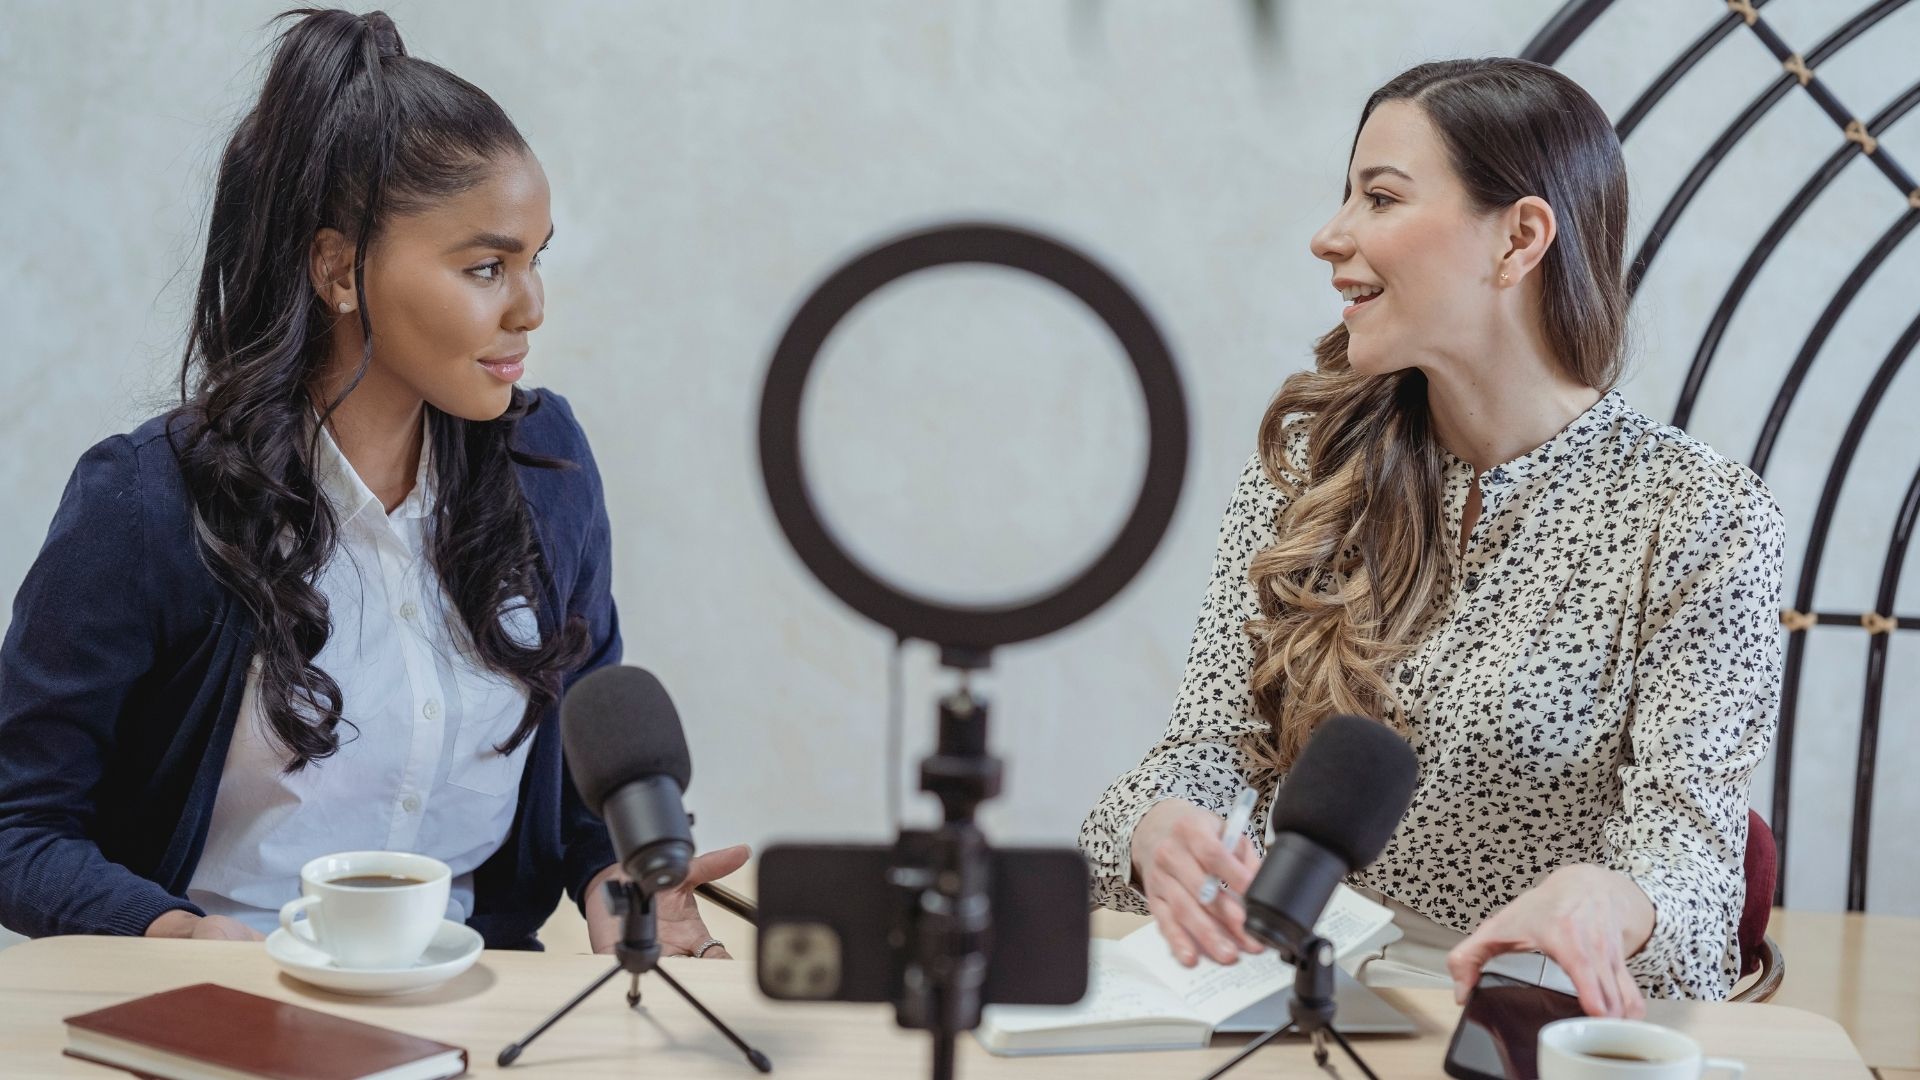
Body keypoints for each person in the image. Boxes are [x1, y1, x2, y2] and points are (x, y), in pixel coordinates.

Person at [0, 8, 744, 958]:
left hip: (475, 1006)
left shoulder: (545, 468)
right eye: (487, 266)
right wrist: (172, 933)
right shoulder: (147, 503)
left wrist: (618, 882)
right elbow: (18, 824)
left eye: (535, 259)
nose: (531, 307)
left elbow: (581, 778)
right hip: (221, 1003)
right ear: (338, 269)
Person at [1079, 57, 1785, 1018]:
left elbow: (1690, 857)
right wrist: (1158, 825)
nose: (1329, 236)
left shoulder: (1702, 515)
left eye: (1379, 197)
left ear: (1520, 238)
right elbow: (1212, 743)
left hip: (1516, 1021)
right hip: (1277, 993)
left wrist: (1616, 902)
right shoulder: (1311, 463)